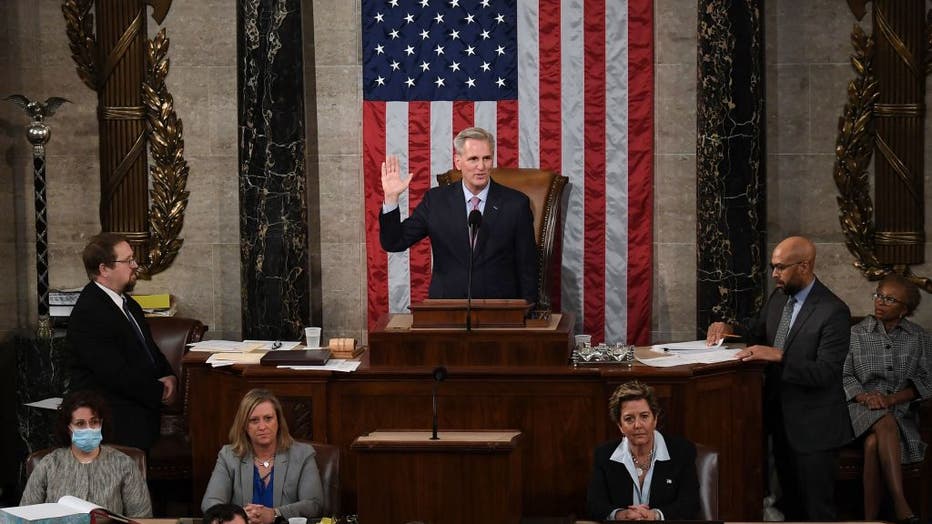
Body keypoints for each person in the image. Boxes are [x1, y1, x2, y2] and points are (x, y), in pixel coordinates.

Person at [706, 235, 852, 520]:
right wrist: (728, 328)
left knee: (817, 509)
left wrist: (781, 357)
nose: (774, 274)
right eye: (773, 267)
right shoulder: (778, 298)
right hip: (778, 423)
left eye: (781, 268)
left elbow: (826, 372)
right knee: (791, 507)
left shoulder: (833, 311)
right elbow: (755, 332)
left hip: (814, 429)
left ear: (804, 266)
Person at [379, 127, 538, 304]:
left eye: (486, 158)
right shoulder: (436, 201)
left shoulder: (515, 204)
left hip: (499, 312)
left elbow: (527, 268)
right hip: (447, 310)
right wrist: (391, 198)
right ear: (458, 162)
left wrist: (527, 317)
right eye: (473, 159)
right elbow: (395, 242)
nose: (481, 166)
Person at [67, 233, 177, 452]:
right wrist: (158, 390)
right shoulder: (90, 311)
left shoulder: (129, 304)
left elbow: (149, 350)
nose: (135, 265)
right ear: (104, 269)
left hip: (138, 406)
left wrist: (170, 375)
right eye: (128, 261)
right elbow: (114, 373)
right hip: (112, 417)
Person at [843, 274, 931, 524]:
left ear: (904, 310)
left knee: (873, 444)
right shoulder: (855, 334)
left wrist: (891, 400)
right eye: (879, 295)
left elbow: (927, 381)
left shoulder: (919, 337)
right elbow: (845, 375)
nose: (880, 302)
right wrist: (865, 397)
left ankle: (871, 521)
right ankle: (901, 504)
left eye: (889, 299)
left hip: (900, 412)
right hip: (859, 409)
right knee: (884, 422)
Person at [20, 390, 152, 516]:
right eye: (80, 423)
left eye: (94, 422)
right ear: (68, 428)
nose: (89, 428)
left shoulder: (124, 464)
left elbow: (141, 517)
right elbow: (24, 515)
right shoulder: (49, 465)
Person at [201, 389, 323, 523]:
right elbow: (210, 502)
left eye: (268, 418)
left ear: (278, 421)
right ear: (244, 426)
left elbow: (313, 504)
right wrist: (240, 517)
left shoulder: (303, 455)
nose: (262, 427)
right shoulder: (229, 456)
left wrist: (275, 514)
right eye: (254, 420)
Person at [586, 381, 700, 521]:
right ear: (620, 426)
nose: (638, 425)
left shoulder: (682, 451)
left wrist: (655, 515)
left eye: (644, 416)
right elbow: (594, 504)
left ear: (655, 419)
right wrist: (621, 515)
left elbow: (690, 504)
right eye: (629, 419)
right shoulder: (604, 455)